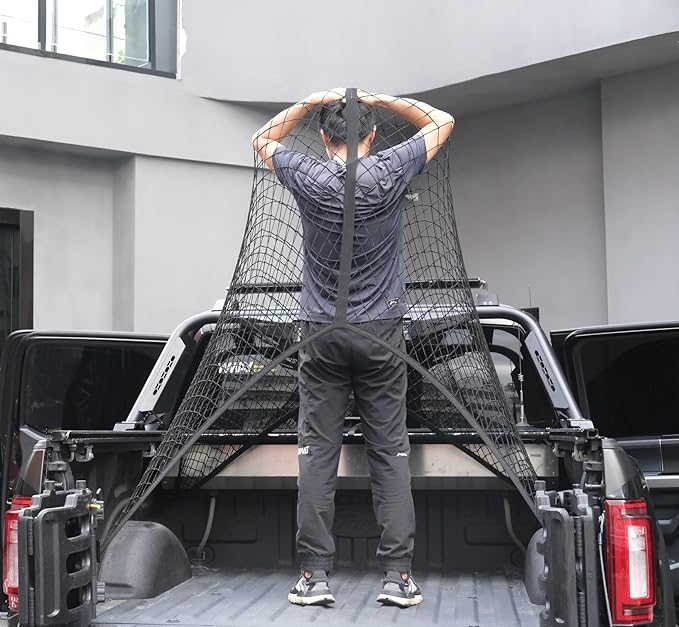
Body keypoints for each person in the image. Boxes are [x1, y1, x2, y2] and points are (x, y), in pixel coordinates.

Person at [252, 88, 454, 608]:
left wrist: (306, 103)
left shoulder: (307, 173)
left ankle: (314, 577)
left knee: (317, 455)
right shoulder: (390, 168)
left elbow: (262, 139)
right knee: (390, 453)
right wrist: (383, 100)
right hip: (382, 333)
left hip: (320, 333)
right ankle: (398, 578)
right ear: (372, 134)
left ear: (323, 137)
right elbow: (442, 121)